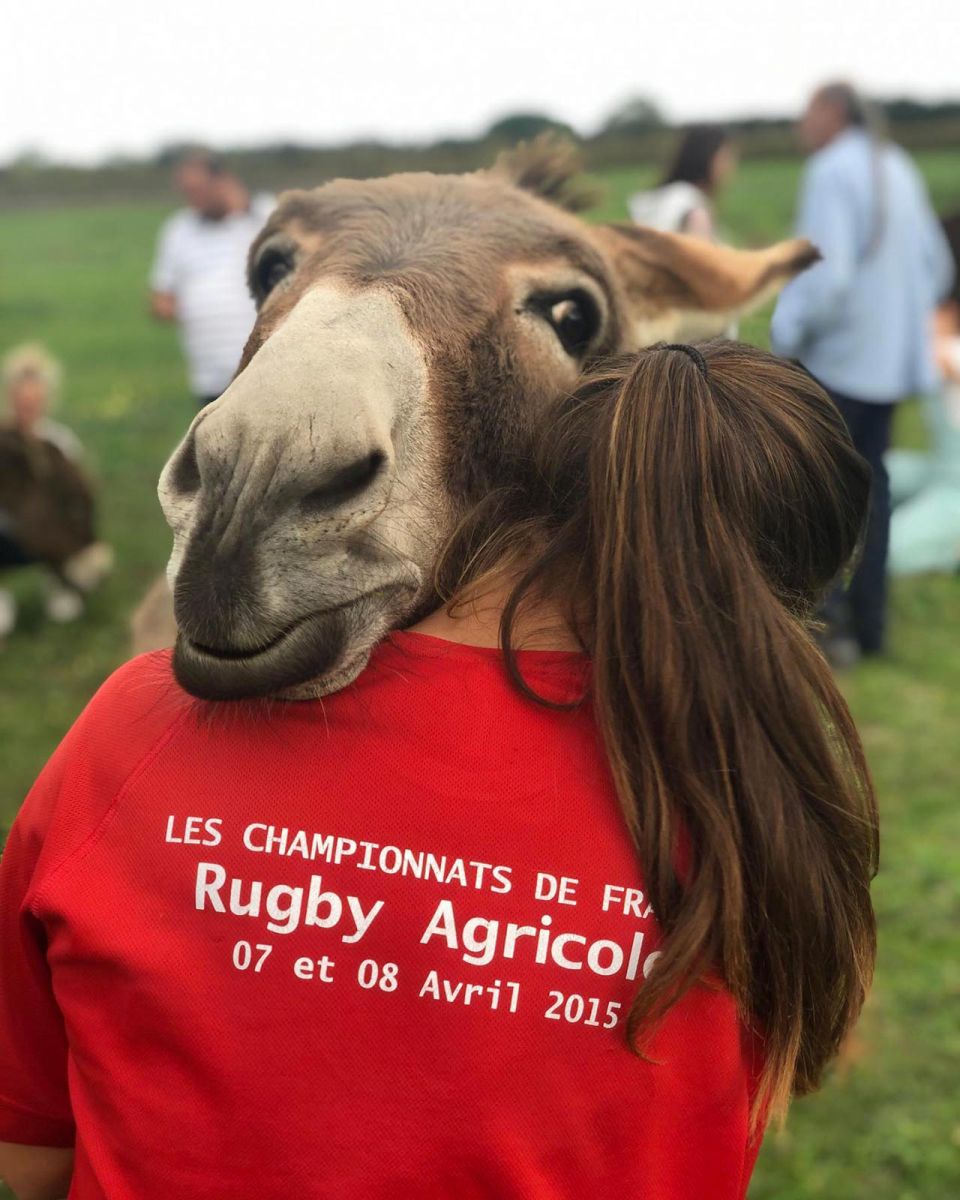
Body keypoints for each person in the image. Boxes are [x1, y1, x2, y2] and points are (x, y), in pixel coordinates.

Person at [0, 343, 878, 1200]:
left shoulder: (145, 727)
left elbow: (31, 1155)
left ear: (524, 502)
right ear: (775, 608)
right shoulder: (761, 836)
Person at [771, 82, 955, 662]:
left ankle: (831, 630)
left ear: (832, 111)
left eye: (806, 111)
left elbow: (826, 275)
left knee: (824, 489)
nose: (801, 125)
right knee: (873, 488)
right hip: (889, 367)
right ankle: (870, 627)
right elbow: (937, 265)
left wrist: (787, 334)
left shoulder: (830, 170)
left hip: (840, 360)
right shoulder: (897, 163)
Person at [150, 148, 274, 408]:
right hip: (209, 373)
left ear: (222, 182)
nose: (193, 200)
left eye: (199, 190)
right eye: (187, 192)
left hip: (265, 367)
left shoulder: (261, 215)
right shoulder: (179, 229)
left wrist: (242, 208)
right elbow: (162, 296)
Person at [0, 345, 93, 634]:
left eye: (35, 401)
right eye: (22, 401)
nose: (28, 408)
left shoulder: (60, 442)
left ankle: (62, 579)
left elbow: (81, 496)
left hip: (51, 531)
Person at [887, 212, 960, 575]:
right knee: (862, 470)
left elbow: (936, 356)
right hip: (940, 473)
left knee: (889, 550)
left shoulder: (945, 348)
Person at [628, 124, 737, 238]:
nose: (731, 166)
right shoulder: (695, 212)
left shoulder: (662, 197)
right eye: (726, 157)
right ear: (707, 158)